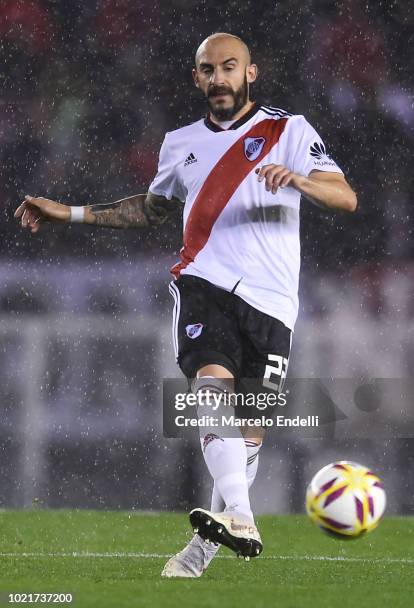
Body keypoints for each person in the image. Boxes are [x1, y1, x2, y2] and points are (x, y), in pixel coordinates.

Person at [15, 32, 357, 578]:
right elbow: (151, 210)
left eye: (229, 67)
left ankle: (202, 549)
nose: (218, 78)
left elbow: (346, 196)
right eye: (208, 69)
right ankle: (243, 516)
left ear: (250, 72)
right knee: (209, 387)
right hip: (204, 283)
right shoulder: (180, 143)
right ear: (196, 78)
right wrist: (72, 214)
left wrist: (298, 178)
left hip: (272, 303)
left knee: (248, 435)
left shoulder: (287, 130)